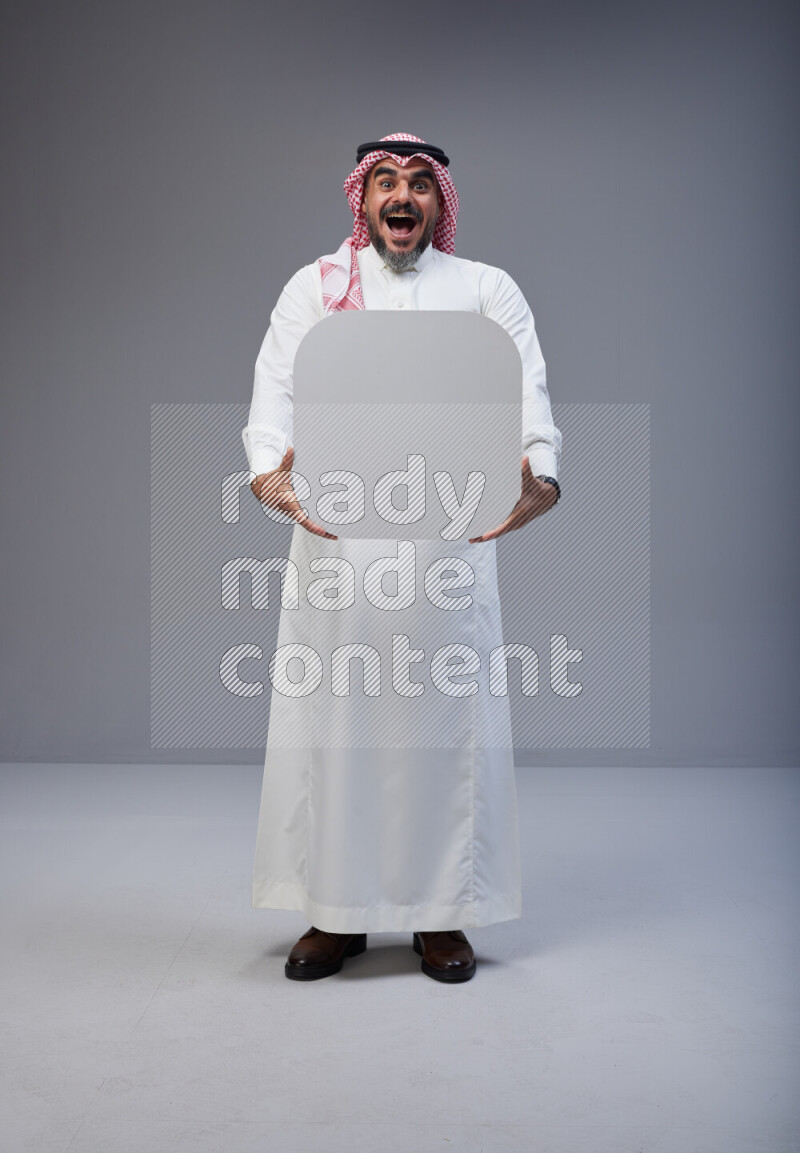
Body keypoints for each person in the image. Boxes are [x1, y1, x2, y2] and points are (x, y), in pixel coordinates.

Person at [243, 133, 561, 983]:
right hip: (338, 549)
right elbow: (274, 395)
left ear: (439, 201)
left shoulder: (486, 290)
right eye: (387, 180)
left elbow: (527, 397)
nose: (403, 196)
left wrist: (542, 475)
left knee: (439, 730)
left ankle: (441, 916)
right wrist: (271, 475)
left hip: (444, 551)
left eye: (421, 183)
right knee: (336, 731)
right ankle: (336, 915)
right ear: (363, 196)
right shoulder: (316, 288)